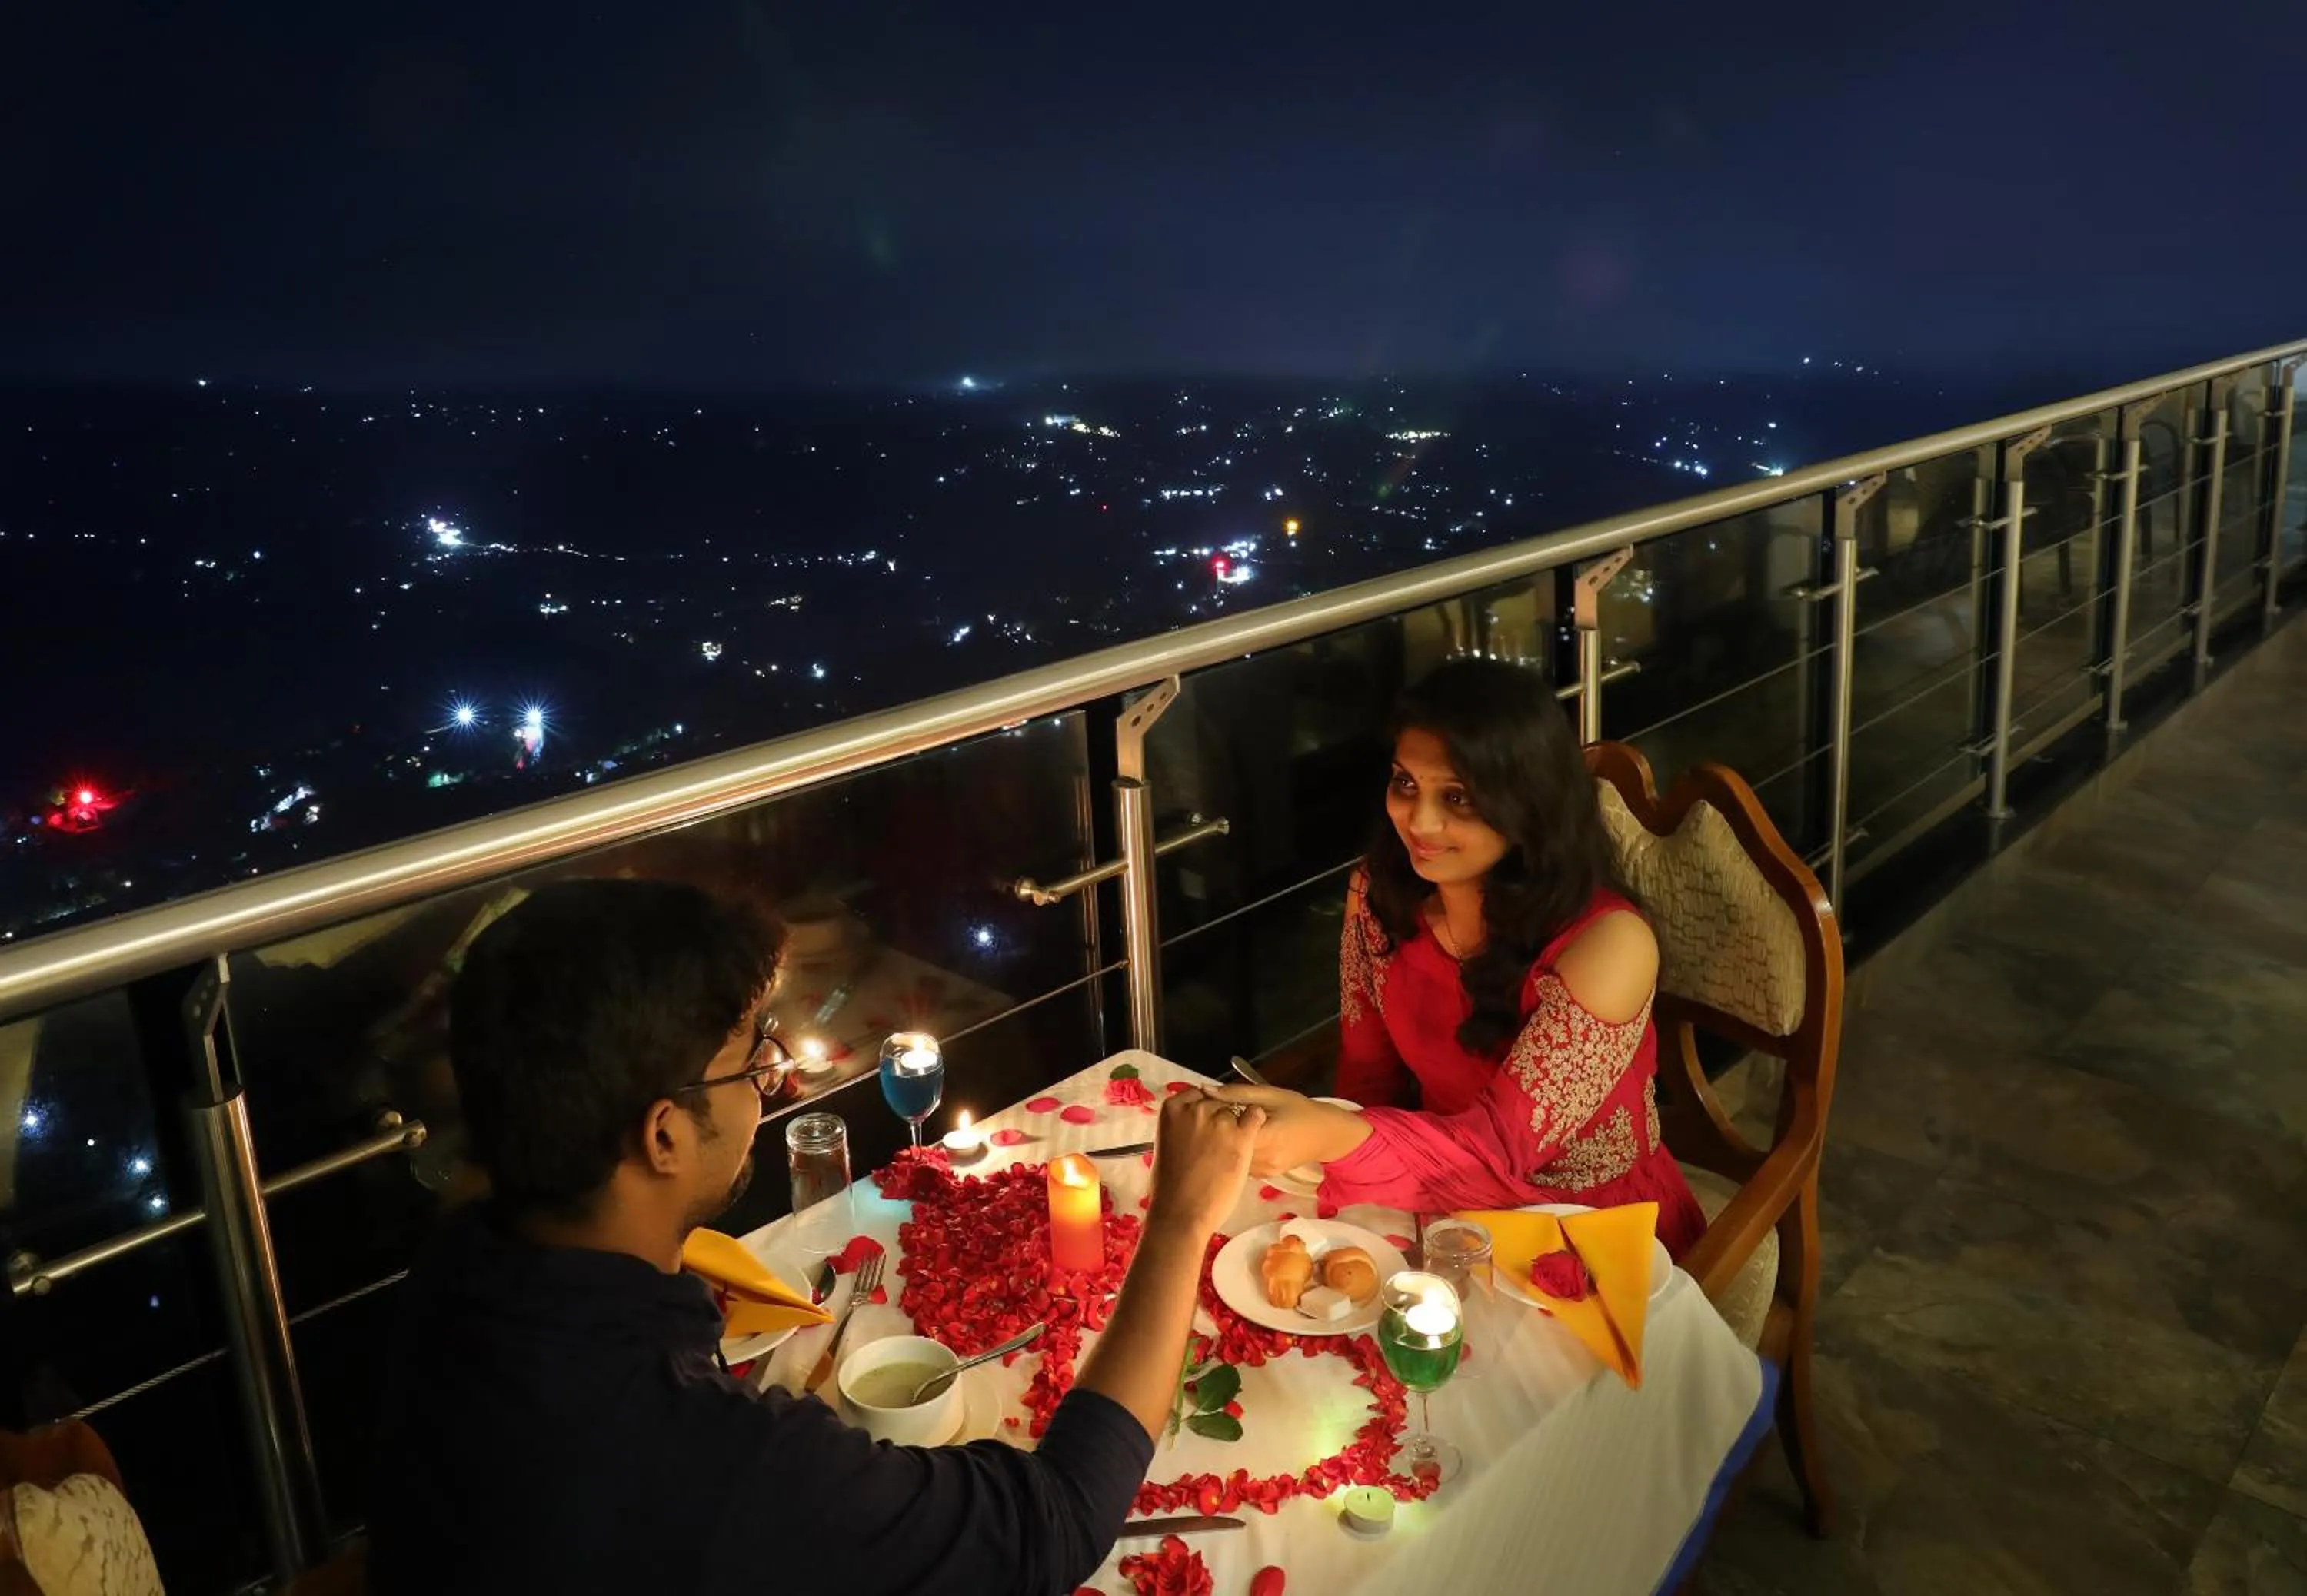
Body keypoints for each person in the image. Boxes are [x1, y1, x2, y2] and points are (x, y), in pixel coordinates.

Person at [368, 878, 1262, 1596]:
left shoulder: (455, 1272)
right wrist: (1181, 1217)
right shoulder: (704, 1456)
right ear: (664, 1136)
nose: (769, 1083)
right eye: (747, 1062)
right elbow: (1055, 1522)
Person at [1210, 657, 1705, 1259]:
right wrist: (1352, 1207)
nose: (1418, 821)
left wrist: (1335, 1137)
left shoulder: (1610, 946)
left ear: (1529, 804)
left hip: (1590, 1235)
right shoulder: (1379, 893)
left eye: (1459, 797)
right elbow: (1369, 1074)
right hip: (1434, 1193)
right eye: (1406, 783)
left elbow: (1502, 1151)